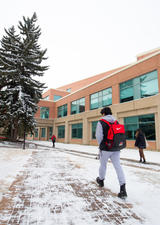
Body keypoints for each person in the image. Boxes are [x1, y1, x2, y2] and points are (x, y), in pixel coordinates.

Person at [95, 107, 127, 199]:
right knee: (118, 167)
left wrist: (101, 145)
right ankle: (123, 188)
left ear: (104, 113)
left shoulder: (101, 122)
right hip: (116, 148)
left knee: (103, 165)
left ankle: (101, 180)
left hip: (105, 148)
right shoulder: (116, 121)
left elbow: (98, 136)